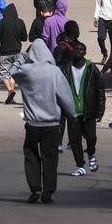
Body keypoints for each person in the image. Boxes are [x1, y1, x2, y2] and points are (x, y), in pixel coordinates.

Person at [8, 39, 76, 204]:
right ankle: (48, 192)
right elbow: (65, 96)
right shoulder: (55, 72)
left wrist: (23, 56)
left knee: (31, 155)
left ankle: (35, 189)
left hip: (32, 124)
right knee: (50, 158)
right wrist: (72, 113)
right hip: (52, 124)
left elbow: (11, 70)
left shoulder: (26, 71)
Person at [62, 43, 105, 177]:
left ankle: (91, 153)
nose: (78, 52)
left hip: (89, 110)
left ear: (85, 52)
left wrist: (100, 110)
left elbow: (100, 89)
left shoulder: (91, 68)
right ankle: (80, 165)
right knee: (74, 140)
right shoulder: (67, 68)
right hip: (72, 111)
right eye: (76, 49)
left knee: (91, 137)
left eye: (81, 49)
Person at [0, 3, 27, 104]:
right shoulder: (20, 22)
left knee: (4, 73)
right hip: (17, 52)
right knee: (14, 73)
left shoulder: (1, 22)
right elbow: (24, 38)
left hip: (4, 52)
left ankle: (10, 90)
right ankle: (11, 97)